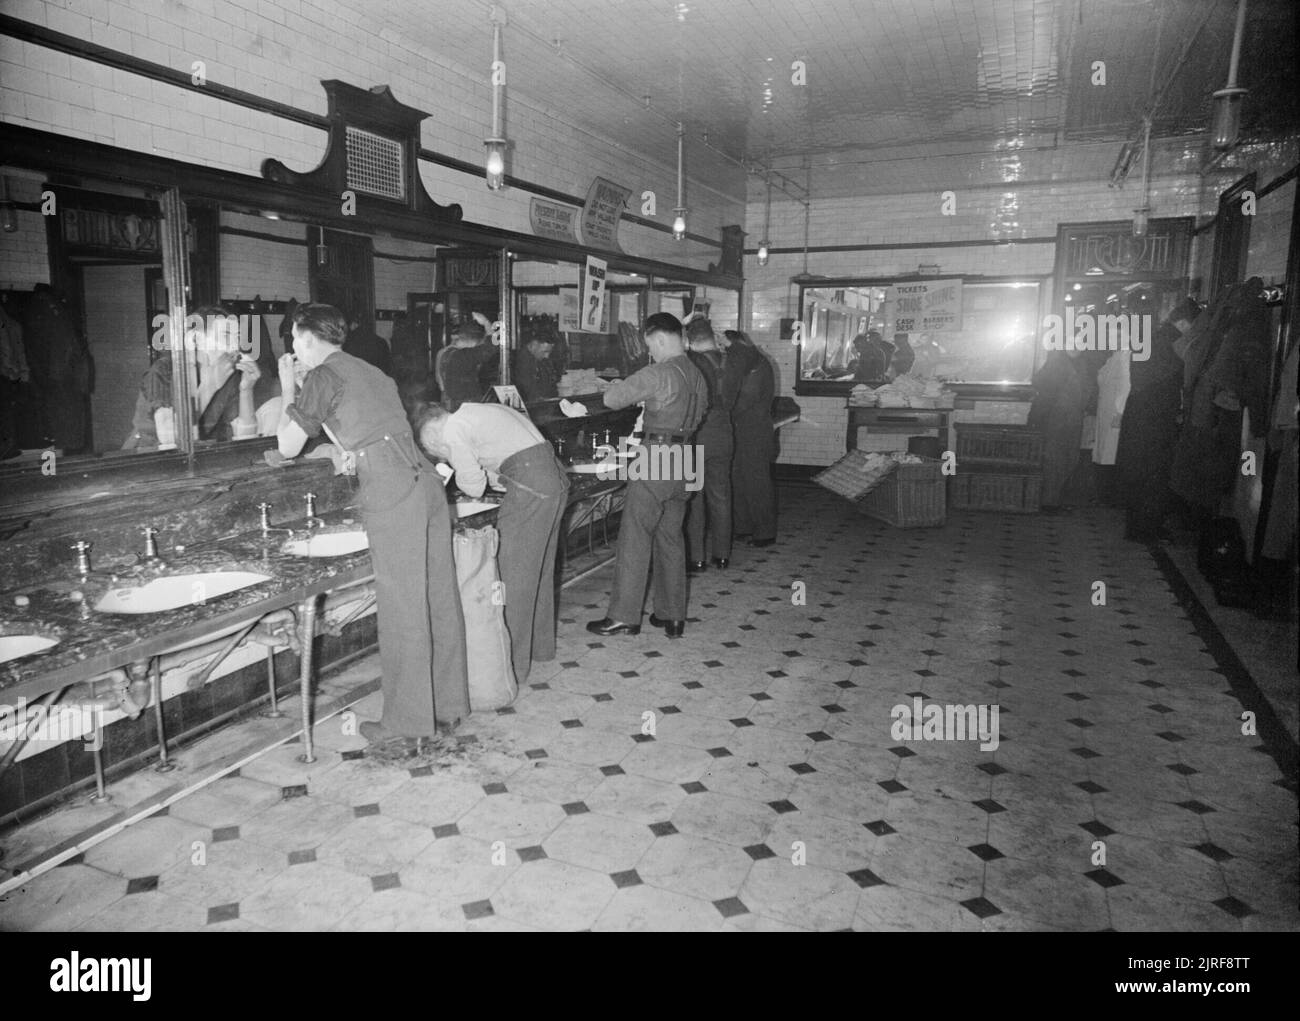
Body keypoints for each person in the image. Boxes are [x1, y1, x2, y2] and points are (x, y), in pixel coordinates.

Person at [274, 302, 469, 743]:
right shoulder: (369, 370)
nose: (293, 349)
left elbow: (287, 446)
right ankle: (450, 705)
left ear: (306, 337)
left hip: (391, 487)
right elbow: (367, 428)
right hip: (424, 481)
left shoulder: (322, 375)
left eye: (293, 341)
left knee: (402, 606)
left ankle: (406, 724)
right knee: (438, 594)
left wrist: (288, 386)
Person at [417, 401, 570, 684]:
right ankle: (540, 648)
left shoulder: (453, 430)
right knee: (539, 570)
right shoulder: (478, 411)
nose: (441, 451)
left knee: (512, 576)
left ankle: (510, 665)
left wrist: (456, 469)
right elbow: (507, 463)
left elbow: (474, 485)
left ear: (431, 435)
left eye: (435, 448)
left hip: (533, 487)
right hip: (553, 480)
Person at [587, 312, 707, 639]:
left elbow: (612, 399)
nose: (649, 351)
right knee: (670, 536)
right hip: (686, 457)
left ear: (659, 339)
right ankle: (672, 615)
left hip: (656, 455)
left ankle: (624, 617)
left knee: (634, 535)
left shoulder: (658, 372)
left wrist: (627, 381)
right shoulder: (697, 373)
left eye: (650, 345)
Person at [123, 303, 275, 450]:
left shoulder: (229, 377)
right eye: (227, 335)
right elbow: (169, 438)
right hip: (145, 458)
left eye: (237, 337)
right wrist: (210, 385)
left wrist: (246, 390)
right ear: (197, 339)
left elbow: (244, 436)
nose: (235, 346)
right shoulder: (164, 370)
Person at [1115, 298, 1201, 541]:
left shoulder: (1153, 341)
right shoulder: (1171, 344)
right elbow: (1176, 380)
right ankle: (1146, 529)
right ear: (1183, 322)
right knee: (1155, 475)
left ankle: (1138, 526)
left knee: (1141, 475)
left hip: (1140, 416)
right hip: (1155, 420)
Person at [684, 318, 736, 570]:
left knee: (695, 497)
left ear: (689, 340)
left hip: (699, 433)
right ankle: (722, 555)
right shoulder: (730, 361)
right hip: (724, 432)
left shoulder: (692, 363)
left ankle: (697, 557)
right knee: (721, 495)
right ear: (712, 337)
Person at [724, 330, 778, 547]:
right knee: (738, 478)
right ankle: (744, 526)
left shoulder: (755, 366)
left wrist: (721, 412)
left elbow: (745, 399)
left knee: (756, 481)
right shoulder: (754, 361)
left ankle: (765, 531)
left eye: (727, 348)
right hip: (744, 429)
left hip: (754, 431)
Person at [1029, 345, 1088, 512]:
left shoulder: (1081, 363)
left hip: (1073, 418)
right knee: (1055, 460)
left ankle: (1053, 499)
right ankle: (1050, 502)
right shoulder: (1056, 362)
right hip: (1057, 418)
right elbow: (1039, 382)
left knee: (1070, 459)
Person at [437, 318, 498, 411]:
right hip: (466, 409)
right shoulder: (462, 356)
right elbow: (492, 346)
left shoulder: (444, 353)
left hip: (451, 407)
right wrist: (487, 324)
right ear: (475, 342)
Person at [343, 308, 394, 377]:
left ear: (353, 324)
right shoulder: (381, 341)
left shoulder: (346, 342)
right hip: (377, 382)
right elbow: (387, 370)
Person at [512, 330, 558, 404]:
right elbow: (529, 391)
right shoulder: (521, 361)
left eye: (549, 352)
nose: (547, 356)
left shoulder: (540, 359)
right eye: (545, 351)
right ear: (534, 345)